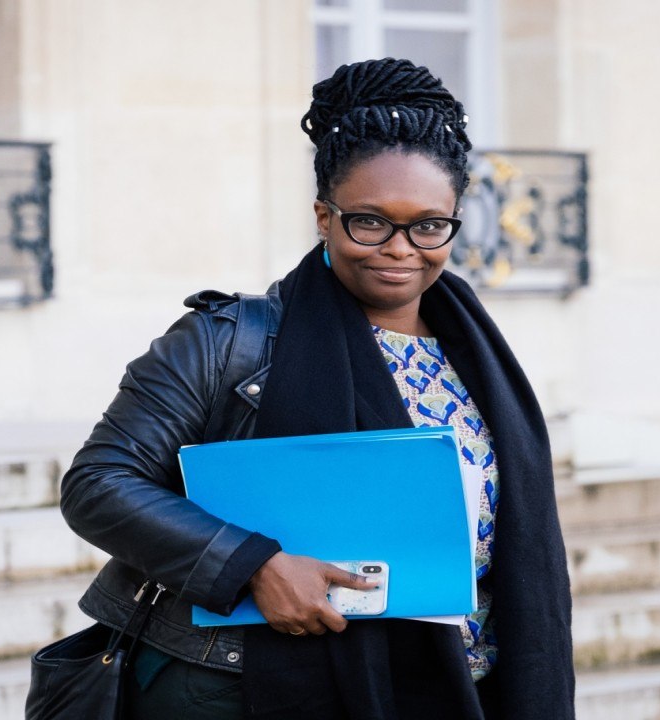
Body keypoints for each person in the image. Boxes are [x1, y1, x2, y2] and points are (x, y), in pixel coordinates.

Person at [59, 58, 573, 720]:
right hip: (240, 690)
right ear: (323, 217)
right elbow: (98, 485)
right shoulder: (226, 341)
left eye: (428, 224)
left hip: (455, 692)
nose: (399, 248)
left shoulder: (476, 352)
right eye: (369, 222)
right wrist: (253, 567)